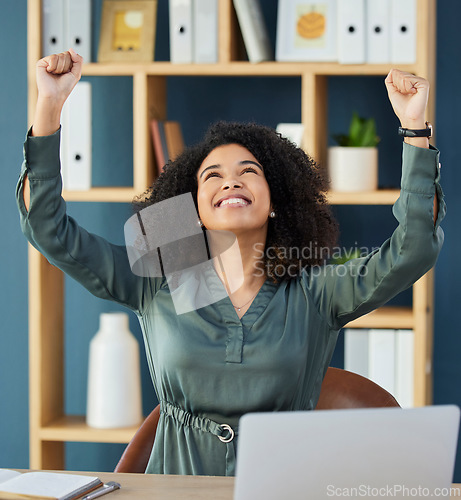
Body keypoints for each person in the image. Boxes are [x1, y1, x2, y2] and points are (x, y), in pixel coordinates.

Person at [17, 49, 445, 476]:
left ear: (276, 200)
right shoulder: (159, 277)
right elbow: (48, 229)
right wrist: (50, 104)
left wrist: (414, 129)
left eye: (249, 171)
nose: (231, 181)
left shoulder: (316, 288)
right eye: (212, 176)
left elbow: (413, 250)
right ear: (193, 208)